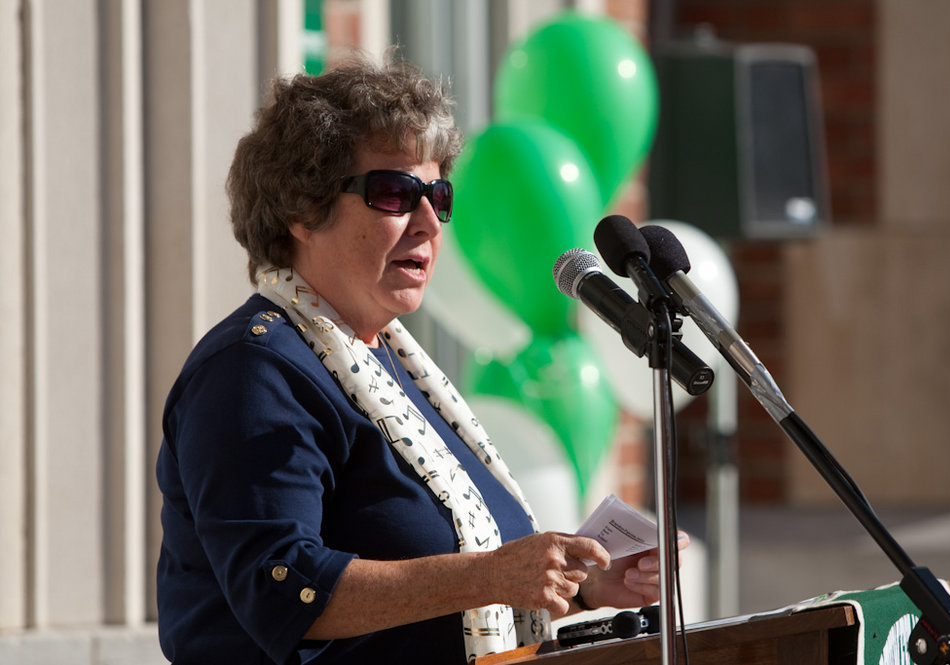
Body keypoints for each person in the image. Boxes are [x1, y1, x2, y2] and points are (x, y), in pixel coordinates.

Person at [156, 50, 687, 665]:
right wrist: (489, 575)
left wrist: (584, 582)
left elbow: (448, 590)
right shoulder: (255, 373)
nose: (430, 222)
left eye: (439, 193)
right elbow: (287, 588)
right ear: (302, 208)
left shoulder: (397, 369)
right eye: (395, 193)